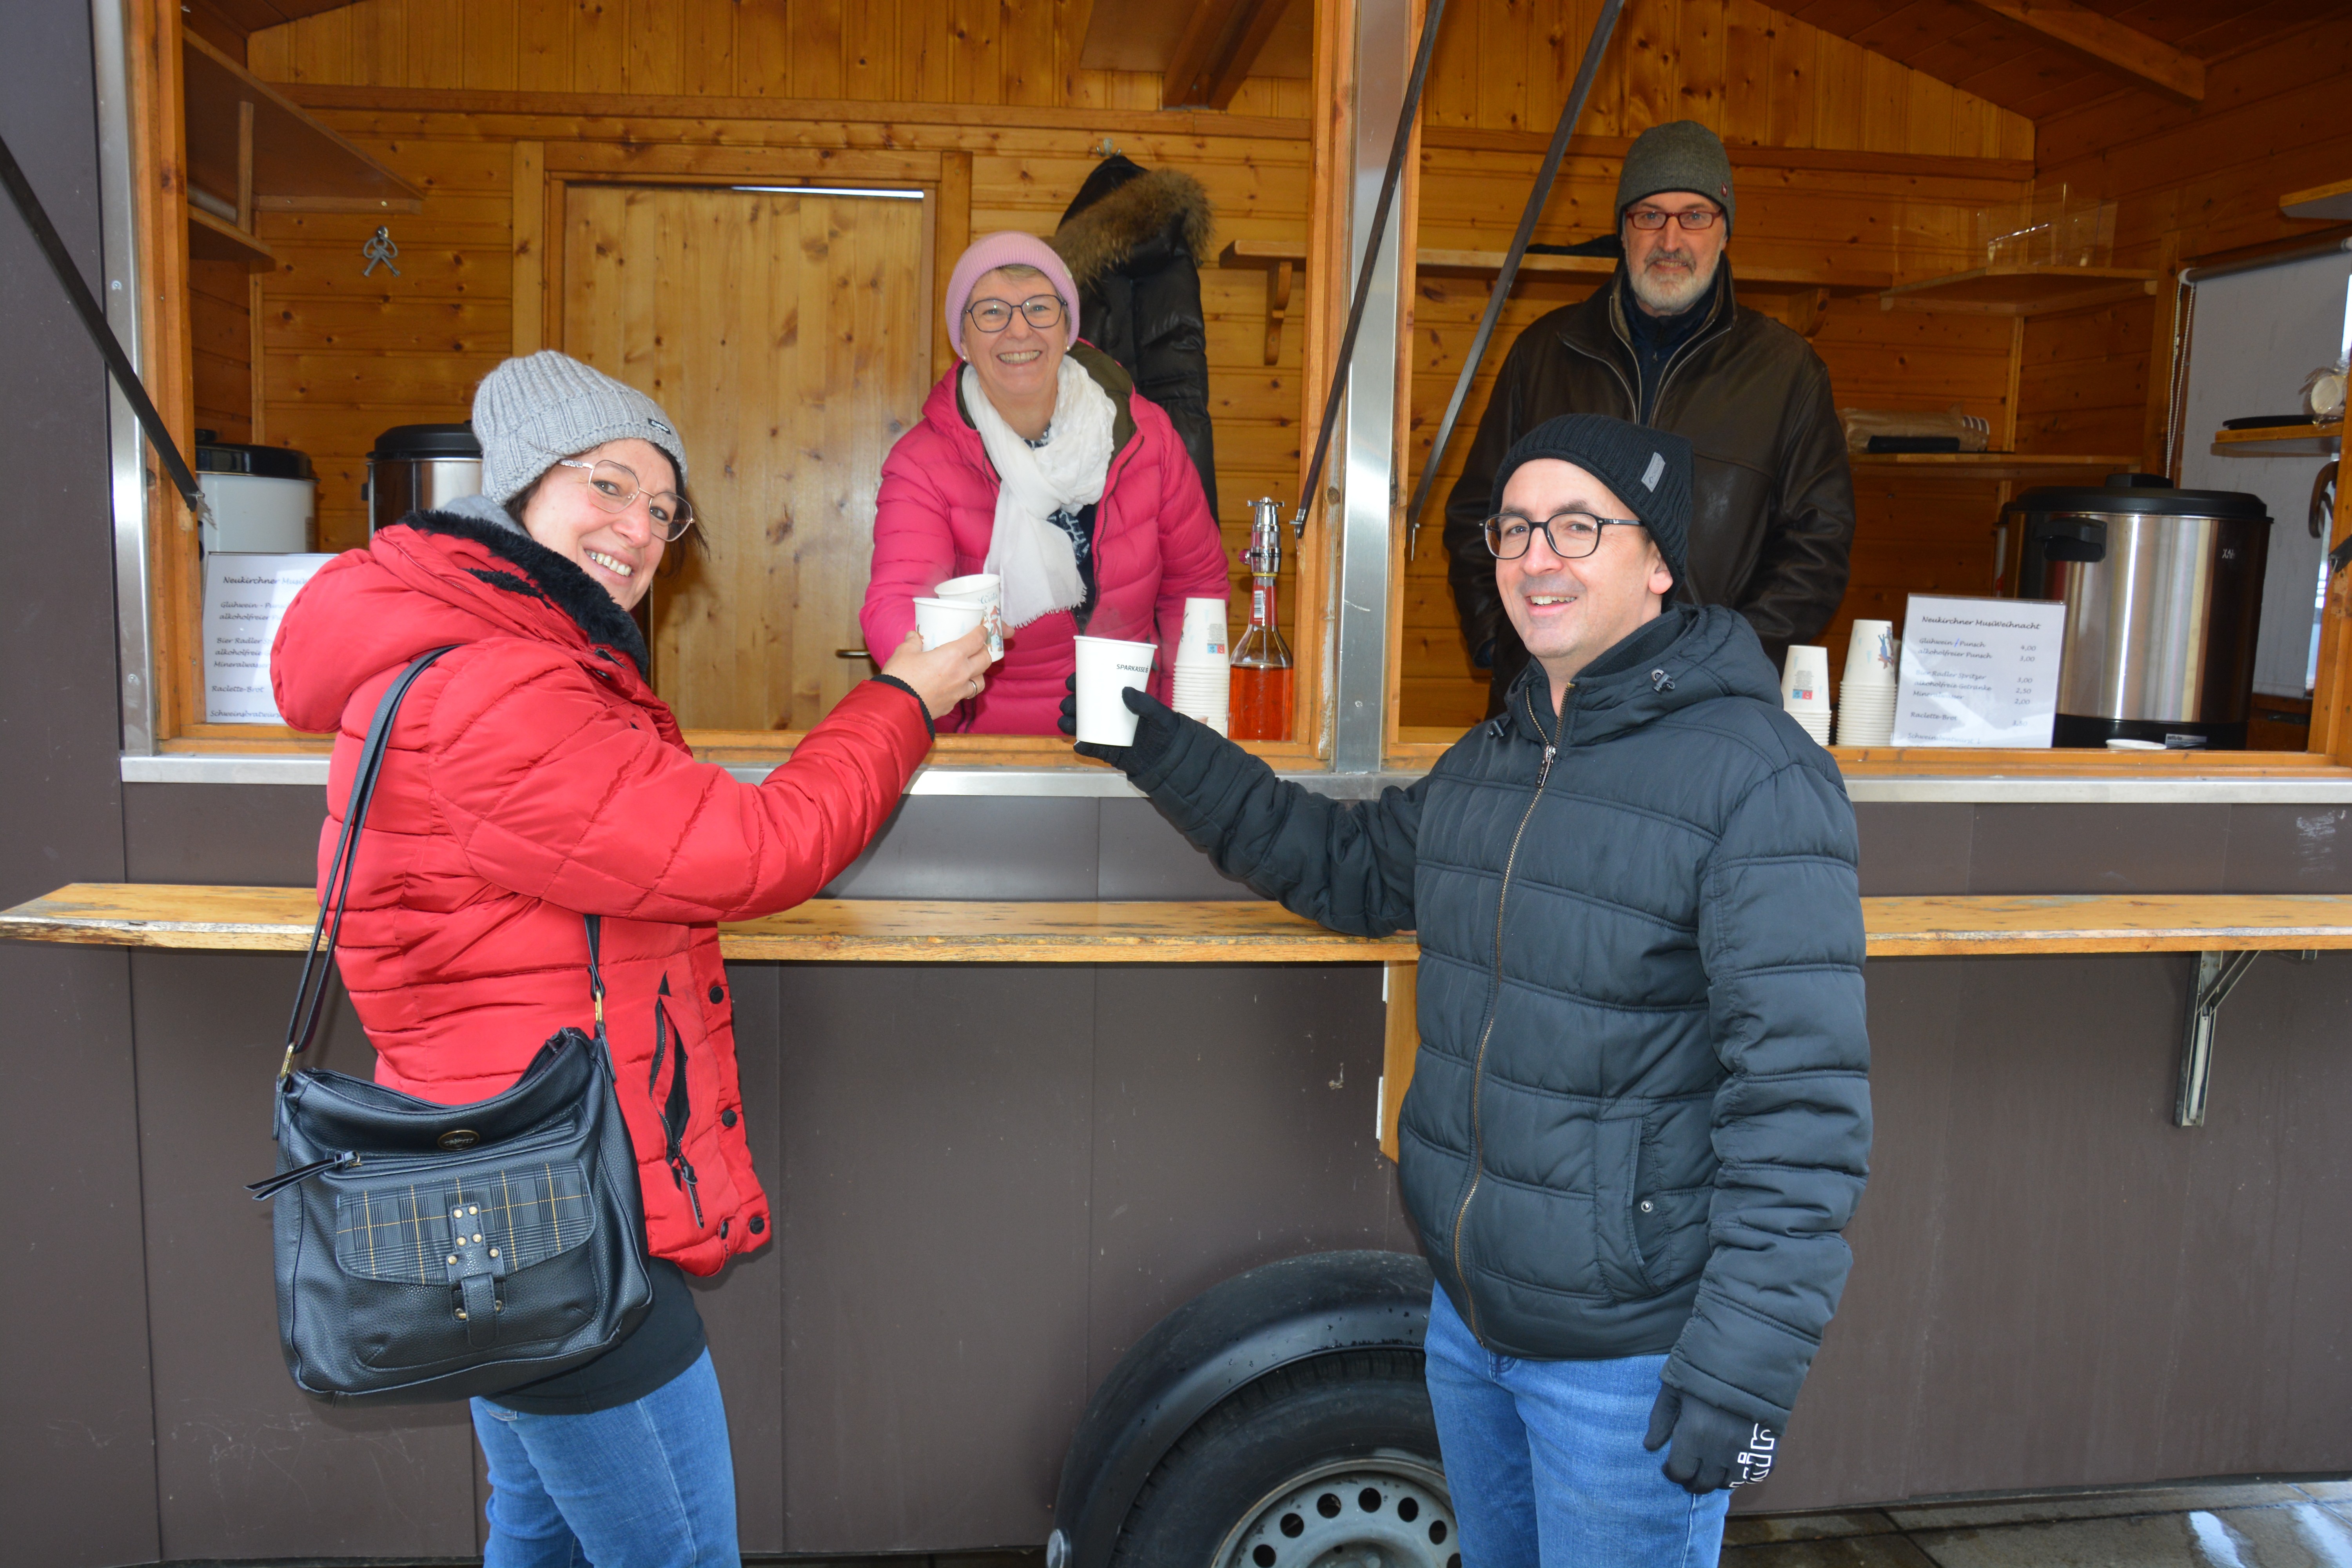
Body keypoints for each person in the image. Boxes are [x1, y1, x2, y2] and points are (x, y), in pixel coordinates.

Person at [1072, 414, 1871, 1567]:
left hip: (1625, 1360)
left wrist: (1742, 1363)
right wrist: (1147, 741)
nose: (1535, 556)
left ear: (1656, 560)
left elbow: (1801, 1102)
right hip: (1469, 1323)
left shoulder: (1755, 780)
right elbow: (1341, 868)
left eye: (1576, 526)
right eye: (1513, 527)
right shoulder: (1492, 761)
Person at [270, 350, 991, 1568]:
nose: (640, 529)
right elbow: (758, 846)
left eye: (663, 510)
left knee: (541, 1534)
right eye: (608, 486)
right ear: (518, 489)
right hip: (549, 1203)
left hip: (501, 1187)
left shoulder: (491, 649)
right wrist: (902, 700)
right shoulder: (501, 684)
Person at [1442, 119, 1855, 713]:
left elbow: (1818, 550)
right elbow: (1474, 519)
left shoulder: (1788, 374)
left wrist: (1716, 666)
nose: (1670, 239)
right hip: (1547, 707)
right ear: (1623, 230)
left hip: (1703, 713)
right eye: (1648, 215)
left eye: (1694, 216)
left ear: (1724, 230)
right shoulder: (1544, 353)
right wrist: (1504, 649)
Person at [861, 231, 1230, 734]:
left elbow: (1196, 586)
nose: (1019, 331)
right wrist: (940, 654)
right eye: (992, 312)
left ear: (1068, 327)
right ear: (963, 341)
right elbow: (897, 602)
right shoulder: (923, 463)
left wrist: (1177, 723)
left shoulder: (1148, 438)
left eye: (1040, 308)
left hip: (1136, 745)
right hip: (992, 760)